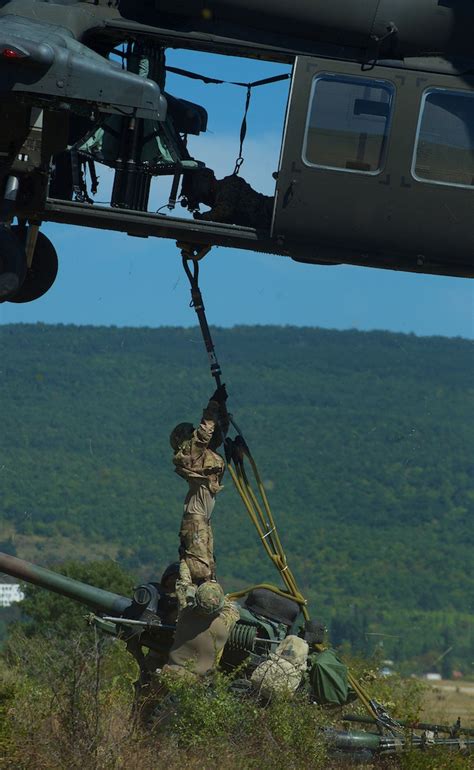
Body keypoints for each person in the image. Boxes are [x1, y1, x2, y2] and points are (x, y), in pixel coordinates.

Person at [170, 384, 229, 587]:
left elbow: (217, 434)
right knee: (201, 570)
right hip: (196, 521)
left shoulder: (203, 456)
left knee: (208, 569)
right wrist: (212, 405)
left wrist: (220, 407)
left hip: (203, 519)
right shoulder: (189, 456)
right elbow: (204, 434)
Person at [162, 579, 239, 680]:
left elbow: (181, 587)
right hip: (197, 682)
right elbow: (232, 609)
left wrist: (193, 589)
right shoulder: (225, 623)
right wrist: (224, 599)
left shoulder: (184, 613)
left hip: (170, 672)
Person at [181, 168, 274, 229]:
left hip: (271, 212)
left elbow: (224, 211)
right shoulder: (218, 197)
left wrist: (202, 218)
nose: (204, 201)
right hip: (265, 225)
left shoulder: (229, 185)